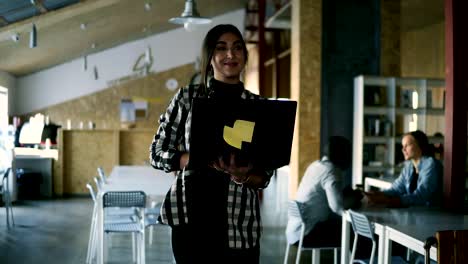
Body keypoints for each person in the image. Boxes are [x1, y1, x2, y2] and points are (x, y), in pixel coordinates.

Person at [150, 24, 273, 263]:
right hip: (191, 223)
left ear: (245, 57)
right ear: (209, 57)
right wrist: (189, 158)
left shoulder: (258, 107)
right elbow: (157, 152)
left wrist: (242, 175)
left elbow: (265, 175)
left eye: (238, 48)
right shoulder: (187, 98)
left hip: (240, 226)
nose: (231, 54)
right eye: (221, 48)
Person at [285, 136, 354, 246]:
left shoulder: (316, 165)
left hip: (295, 231)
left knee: (342, 228)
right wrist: (356, 200)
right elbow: (337, 207)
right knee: (354, 233)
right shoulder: (331, 171)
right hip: (308, 233)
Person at [365, 130, 443, 207]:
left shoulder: (430, 164)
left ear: (419, 145)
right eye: (403, 146)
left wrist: (387, 200)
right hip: (416, 213)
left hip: (432, 214)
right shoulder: (409, 166)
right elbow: (396, 189)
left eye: (407, 145)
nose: (403, 149)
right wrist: (375, 194)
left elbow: (421, 196)